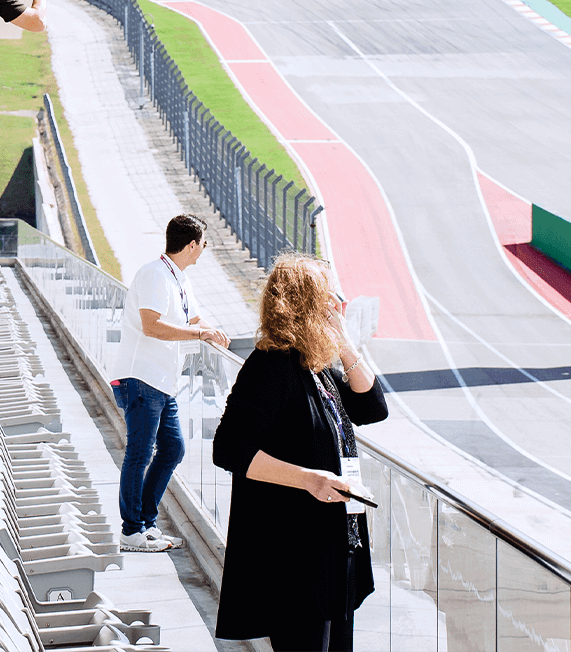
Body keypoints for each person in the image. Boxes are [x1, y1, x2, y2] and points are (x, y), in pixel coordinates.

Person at [212, 254, 388, 650]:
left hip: (336, 547)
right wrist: (310, 479)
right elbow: (229, 448)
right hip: (295, 556)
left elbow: (373, 408)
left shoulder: (316, 365)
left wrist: (345, 346)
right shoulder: (269, 367)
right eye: (330, 300)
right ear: (306, 306)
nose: (337, 308)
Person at [110, 214, 230, 552]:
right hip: (142, 377)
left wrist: (214, 332)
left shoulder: (179, 278)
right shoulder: (154, 274)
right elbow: (152, 326)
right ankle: (131, 530)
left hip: (163, 381)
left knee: (173, 448)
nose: (205, 249)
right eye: (204, 243)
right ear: (191, 245)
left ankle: (146, 525)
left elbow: (194, 319)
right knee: (140, 453)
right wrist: (199, 332)